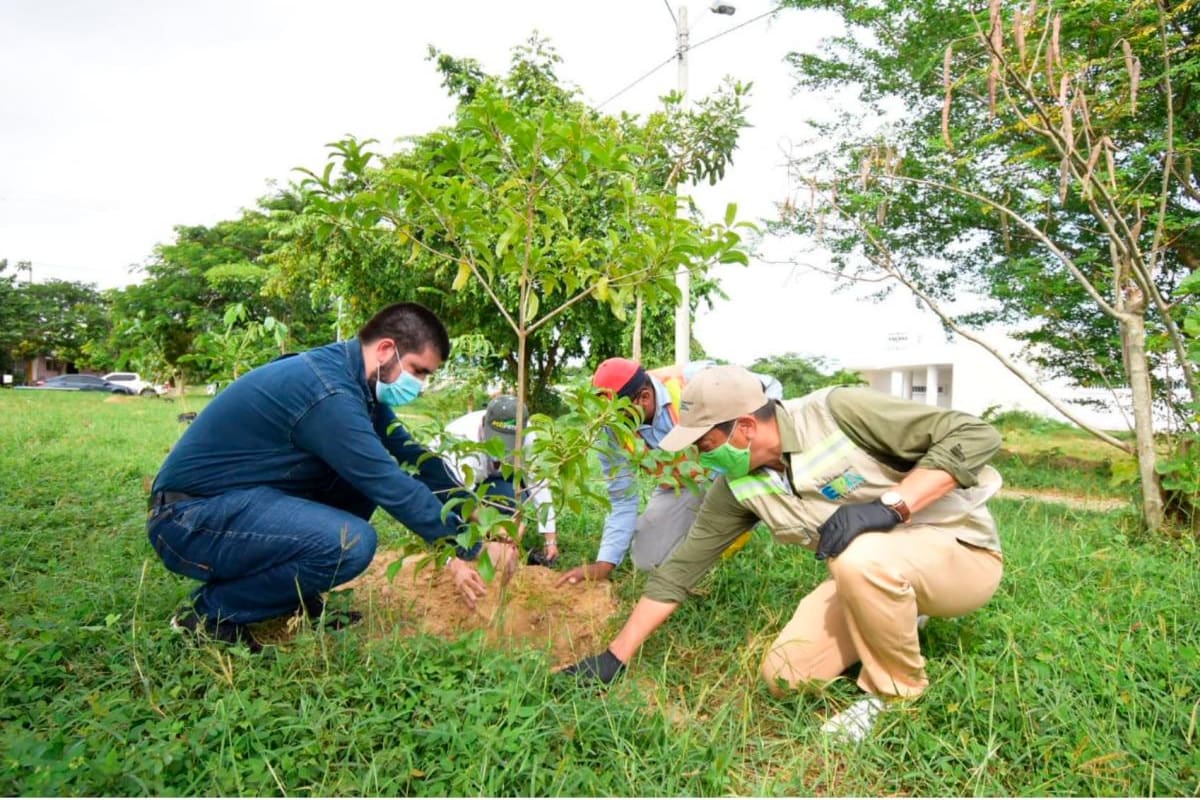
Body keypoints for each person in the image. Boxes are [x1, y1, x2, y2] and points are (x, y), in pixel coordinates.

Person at [563, 365, 1004, 742]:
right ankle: (896, 609)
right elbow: (682, 567)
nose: (701, 457)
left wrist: (891, 506)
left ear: (746, 427)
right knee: (788, 675)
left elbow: (975, 433)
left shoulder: (839, 411)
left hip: (960, 553)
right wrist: (614, 656)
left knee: (860, 557)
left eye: (705, 444)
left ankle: (894, 691)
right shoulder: (738, 485)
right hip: (870, 569)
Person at [146, 302, 514, 651]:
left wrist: (473, 511)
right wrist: (468, 549)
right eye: (419, 371)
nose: (420, 385)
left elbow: (412, 455)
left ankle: (290, 597)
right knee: (349, 542)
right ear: (386, 350)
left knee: (357, 482)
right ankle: (209, 612)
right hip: (189, 519)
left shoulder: (353, 382)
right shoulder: (329, 393)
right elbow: (387, 481)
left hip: (244, 502)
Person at [557, 358, 782, 587]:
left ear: (644, 398)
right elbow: (621, 499)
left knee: (717, 526)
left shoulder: (694, 380)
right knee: (647, 560)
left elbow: (770, 385)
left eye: (619, 415)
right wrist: (604, 563)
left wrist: (753, 451)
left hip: (728, 469)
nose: (612, 423)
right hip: (680, 485)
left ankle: (740, 521)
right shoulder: (610, 431)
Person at [441, 395, 560, 566]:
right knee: (465, 518)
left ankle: (502, 544)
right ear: (484, 423)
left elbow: (539, 485)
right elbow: (459, 500)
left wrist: (550, 539)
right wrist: (494, 526)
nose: (502, 448)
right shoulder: (463, 439)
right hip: (454, 485)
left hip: (499, 479)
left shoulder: (529, 437)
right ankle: (479, 542)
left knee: (510, 500)